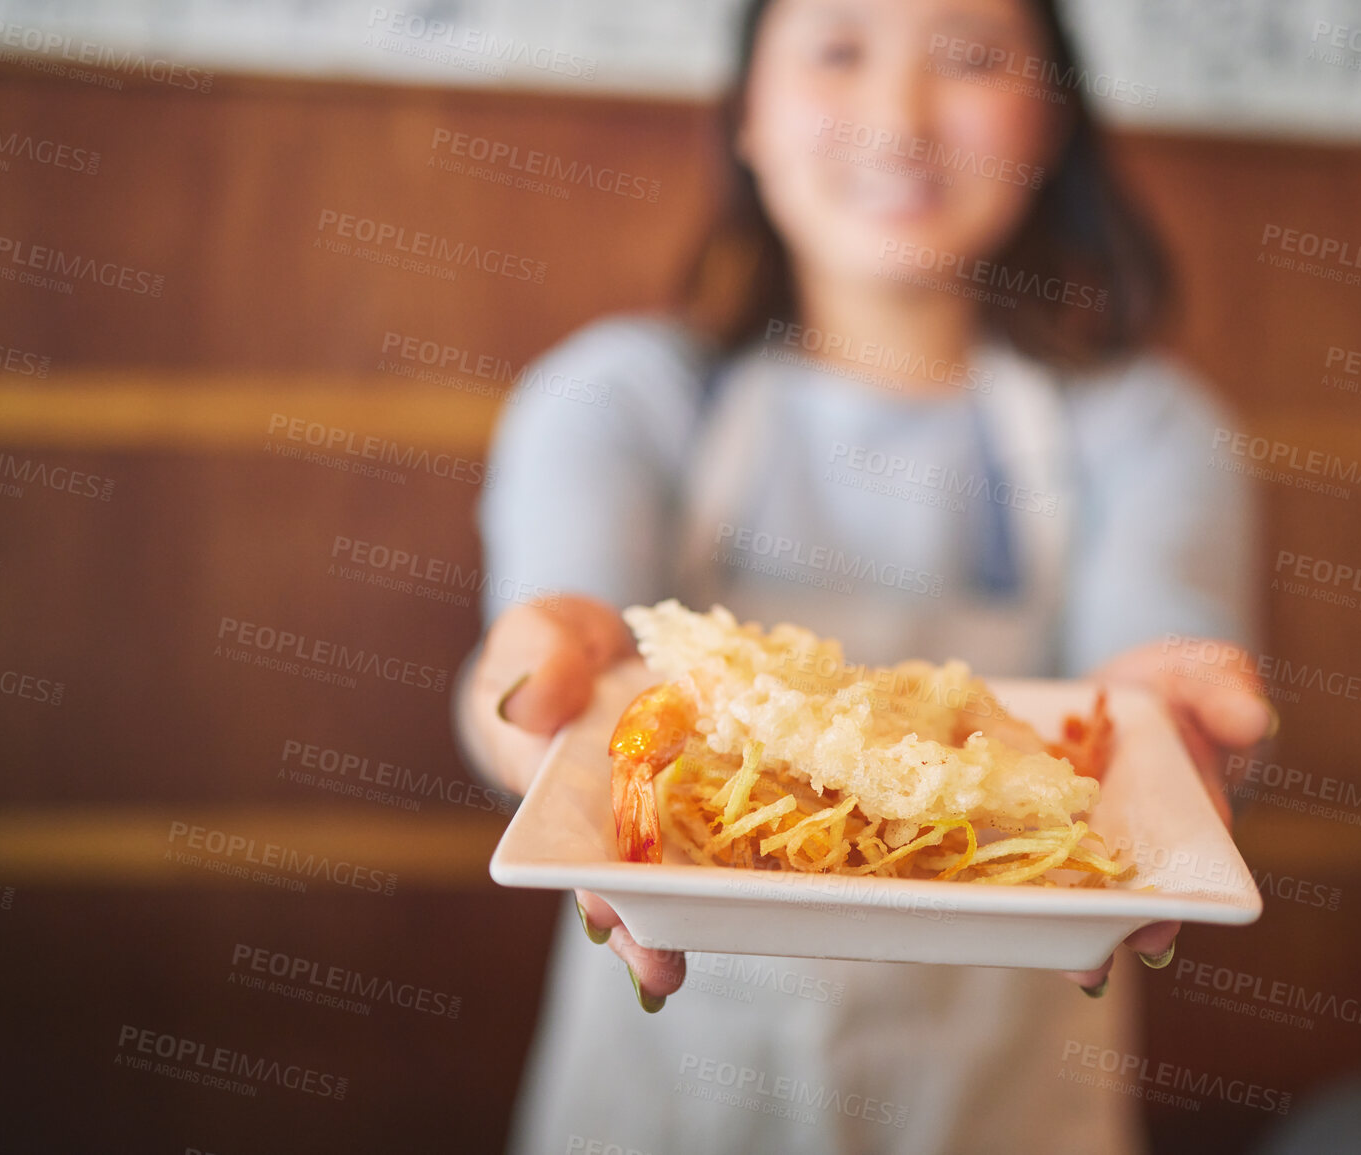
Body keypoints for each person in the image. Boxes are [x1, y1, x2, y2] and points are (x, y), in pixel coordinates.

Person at [454, 0, 1274, 1149]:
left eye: (973, 60)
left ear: (1050, 119)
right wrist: (531, 711)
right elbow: (548, 652)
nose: (901, 118)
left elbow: (1158, 673)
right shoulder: (621, 397)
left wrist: (1179, 716)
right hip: (663, 1096)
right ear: (746, 113)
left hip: (1008, 1091)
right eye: (840, 51)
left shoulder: (1145, 429)